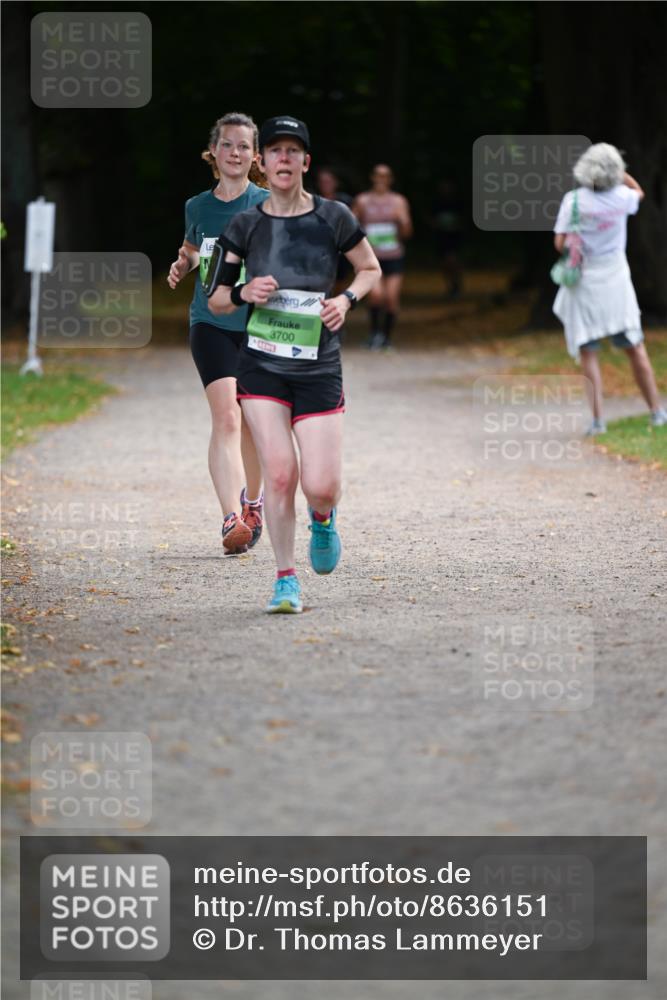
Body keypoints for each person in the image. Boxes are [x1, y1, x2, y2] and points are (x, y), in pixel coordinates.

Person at [208, 115, 381, 613]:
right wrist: (244, 291)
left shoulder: (334, 217)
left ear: (306, 162)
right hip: (262, 365)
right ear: (263, 163)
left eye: (294, 151)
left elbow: (369, 269)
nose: (284, 159)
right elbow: (217, 299)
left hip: (319, 365)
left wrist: (346, 299)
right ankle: (285, 580)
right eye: (276, 151)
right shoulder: (245, 225)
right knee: (280, 474)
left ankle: (323, 518)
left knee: (320, 484)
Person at [167, 112, 269, 552]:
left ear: (256, 156)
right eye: (228, 144)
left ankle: (253, 502)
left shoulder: (270, 202)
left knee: (254, 424)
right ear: (214, 152)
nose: (235, 153)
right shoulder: (198, 206)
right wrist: (182, 264)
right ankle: (231, 519)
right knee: (226, 416)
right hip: (209, 321)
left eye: (244, 146)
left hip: (258, 324)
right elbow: (192, 249)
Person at [552, 143, 666, 434]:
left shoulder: (574, 201)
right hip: (616, 282)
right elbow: (639, 192)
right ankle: (656, 411)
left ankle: (597, 420)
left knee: (588, 352)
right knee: (634, 347)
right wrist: (622, 174)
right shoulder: (623, 198)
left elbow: (560, 244)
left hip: (585, 283)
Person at [353, 164, 412, 350]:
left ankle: (386, 337)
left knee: (392, 299)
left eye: (385, 175)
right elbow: (351, 228)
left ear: (390, 179)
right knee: (377, 296)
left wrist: (402, 221)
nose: (381, 179)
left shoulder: (398, 201)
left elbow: (407, 233)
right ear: (372, 177)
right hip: (371, 258)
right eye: (378, 175)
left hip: (393, 255)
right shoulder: (363, 200)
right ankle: (374, 334)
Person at [430, 178, 464, 300]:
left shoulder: (457, 202)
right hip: (441, 237)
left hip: (453, 237)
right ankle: (450, 286)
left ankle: (457, 285)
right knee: (444, 263)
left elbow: (462, 220)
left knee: (452, 260)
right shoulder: (436, 203)